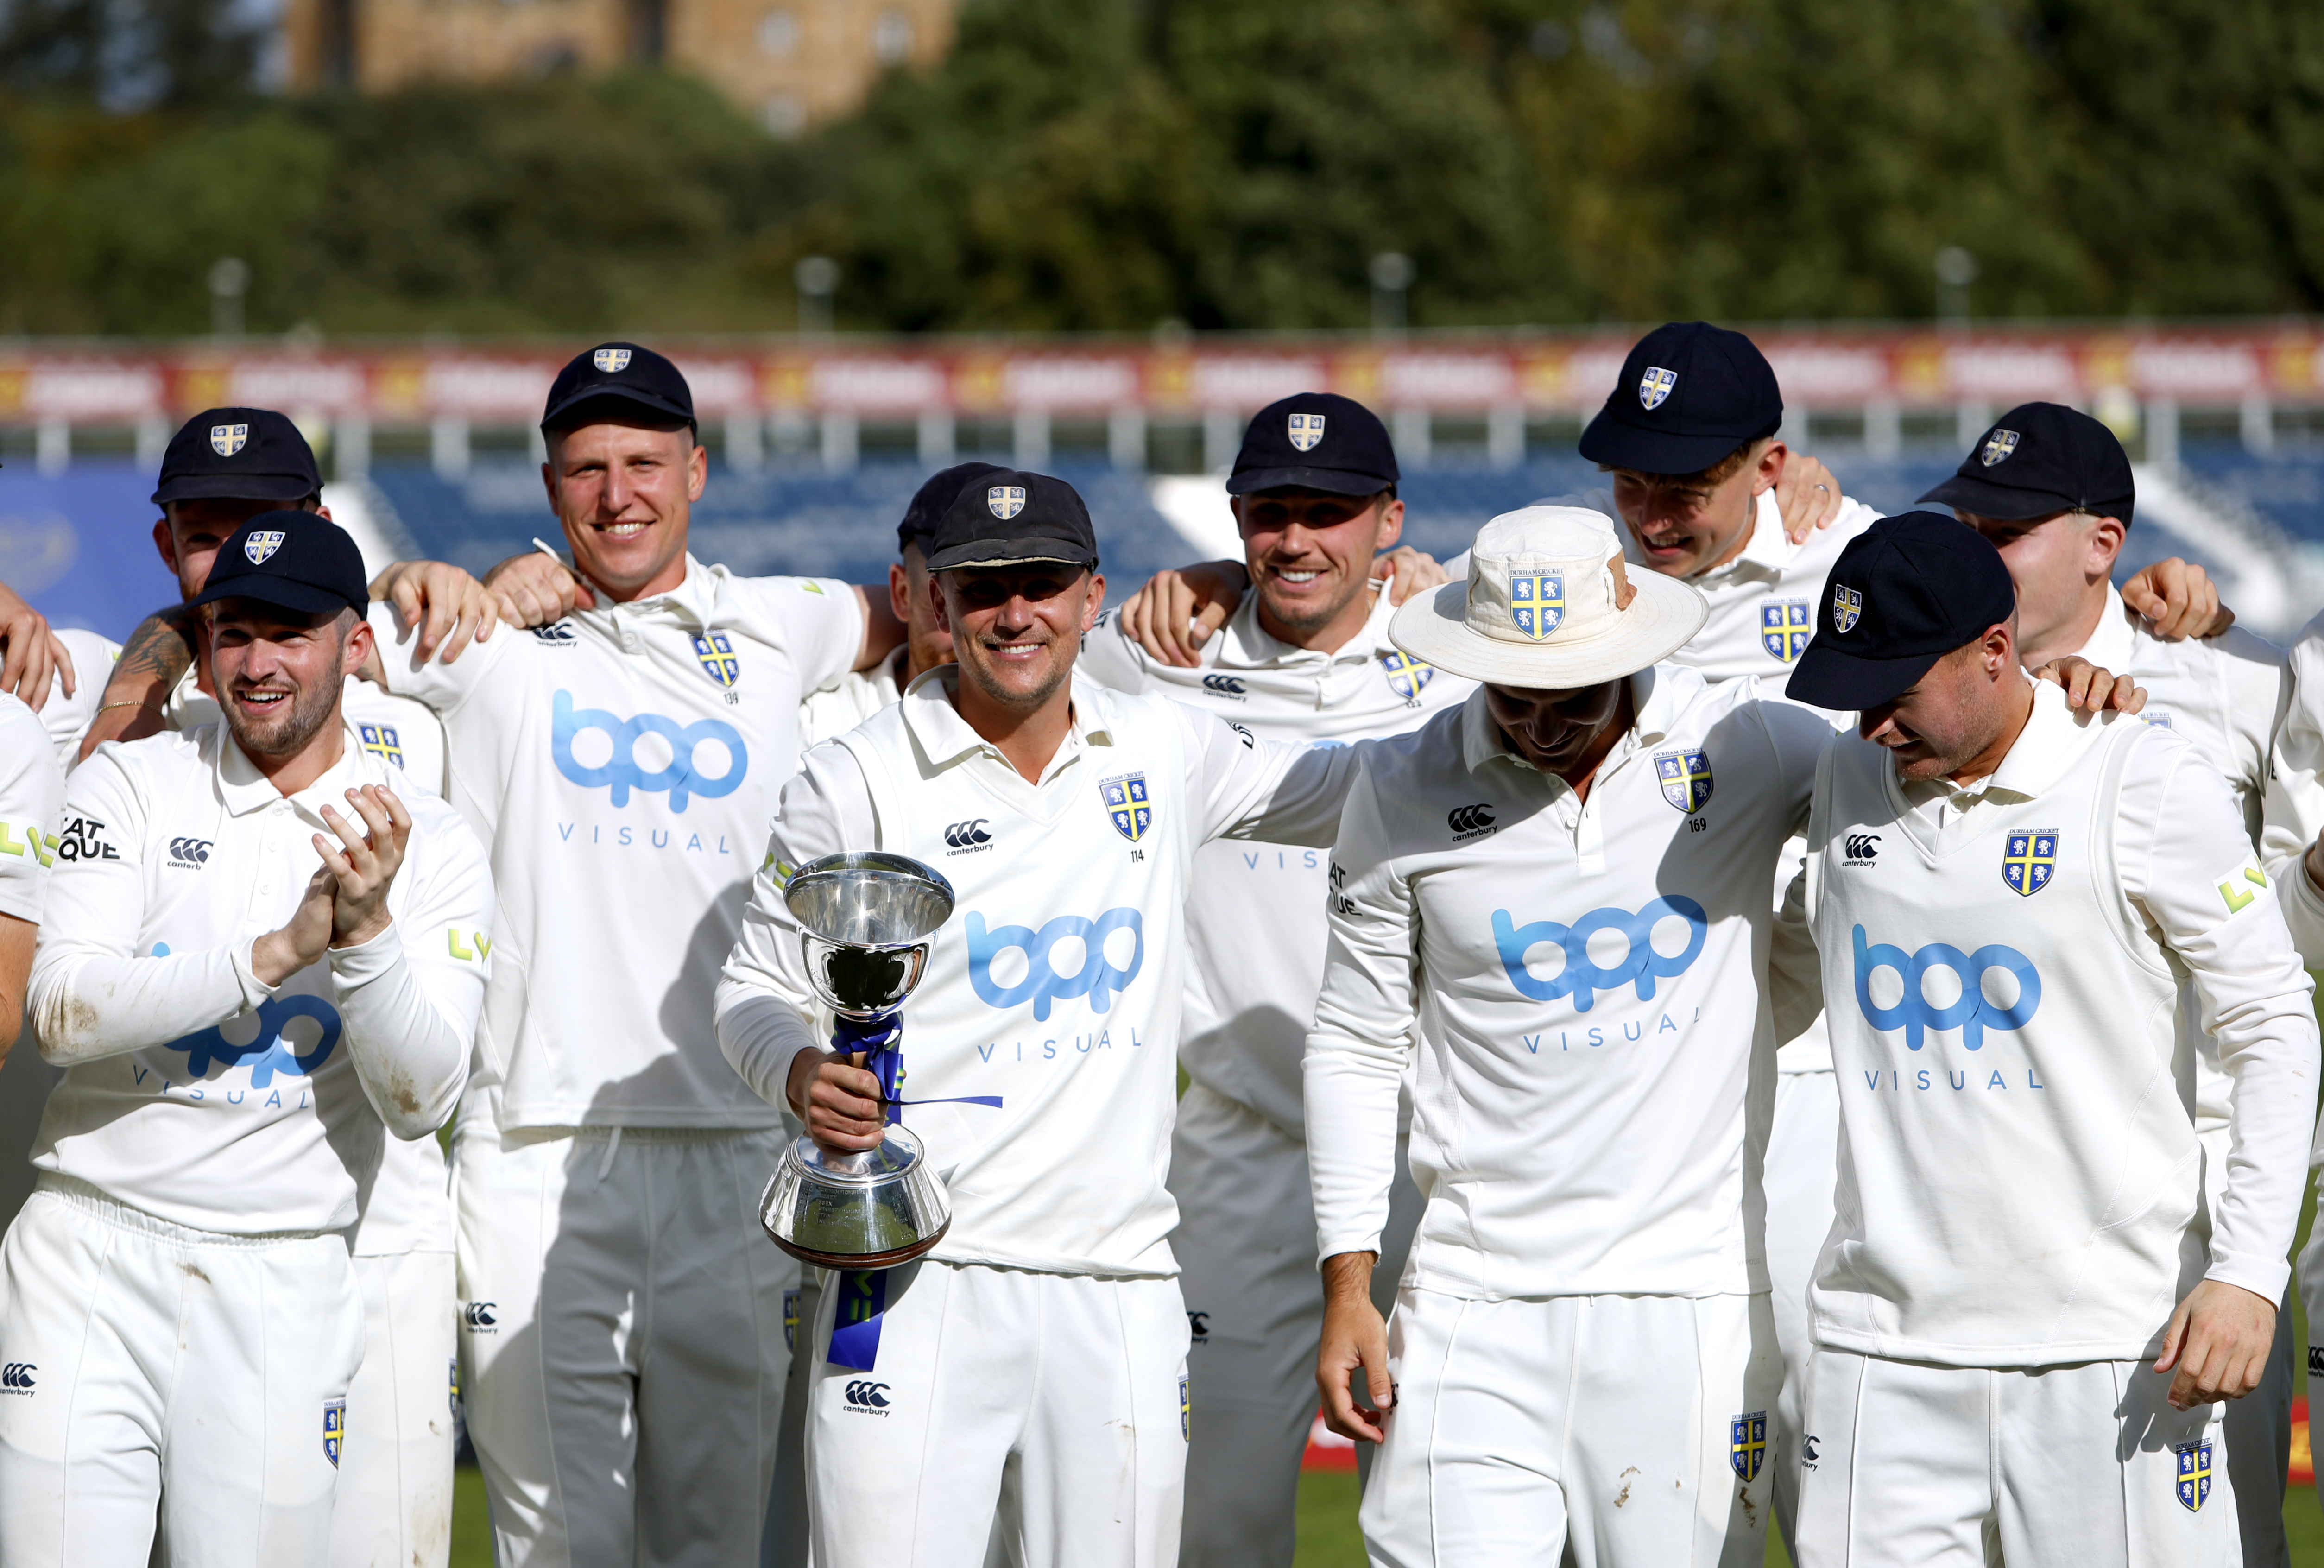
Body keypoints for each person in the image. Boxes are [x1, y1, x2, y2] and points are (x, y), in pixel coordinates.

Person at [715, 469, 1372, 1568]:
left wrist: (1509, 663)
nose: (1014, 613)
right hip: (913, 1276)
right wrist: (794, 1070)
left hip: (1117, 1287)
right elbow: (752, 990)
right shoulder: (853, 776)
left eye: (1042, 583)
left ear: (1090, 598)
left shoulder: (1165, 748)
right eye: (983, 589)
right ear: (931, 603)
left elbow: (1366, 787)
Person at [359, 342, 904, 1568]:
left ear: (697, 471)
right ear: (552, 489)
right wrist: (425, 579)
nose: (619, 495)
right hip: (534, 1157)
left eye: (645, 463)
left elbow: (943, 609)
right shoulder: (474, 637)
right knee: (554, 1544)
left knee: (713, 1542)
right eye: (588, 469)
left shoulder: (782, 623)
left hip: (732, 1152)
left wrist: (1205, 586)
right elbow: (274, 648)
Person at [1781, 513, 2316, 1567]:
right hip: (1878, 1353)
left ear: (1994, 650)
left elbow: (2274, 1021)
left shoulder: (2144, 779)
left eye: (1897, 690)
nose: (1873, 725)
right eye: (1855, 693)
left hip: (2108, 1351)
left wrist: (2250, 1270)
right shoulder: (1843, 776)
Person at [1304, 505, 1835, 1566]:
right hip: (1469, 1301)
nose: (1543, 726)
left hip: (1687, 1304)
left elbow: (1928, 786)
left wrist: (2088, 690)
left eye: (1572, 698)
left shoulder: (1752, 742)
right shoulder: (1400, 788)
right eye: (1515, 695)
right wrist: (1349, 1285)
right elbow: (1356, 1040)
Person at [38, 407, 499, 1568]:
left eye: (291, 623)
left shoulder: (425, 755)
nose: (258, 655)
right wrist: (279, 948)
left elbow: (419, 1095)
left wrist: (370, 929)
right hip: (97, 1229)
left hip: (332, 1234)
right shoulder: (121, 734)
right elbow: (61, 1014)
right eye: (231, 619)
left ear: (351, 638)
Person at [1069, 392, 1468, 1566]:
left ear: (1388, 521)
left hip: (1432, 1146)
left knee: (1452, 1512)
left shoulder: (1456, 653)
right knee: (1215, 1512)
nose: (1298, 540)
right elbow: (973, 649)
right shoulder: (1146, 663)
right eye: (1273, 512)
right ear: (1236, 520)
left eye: (1331, 513)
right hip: (1242, 1150)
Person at [1917, 402, 2297, 1567]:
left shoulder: (2226, 695)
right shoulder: (1912, 708)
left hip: (2180, 1221)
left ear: (2103, 545)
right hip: (1964, 1211)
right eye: (1967, 527)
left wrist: (2246, 1257)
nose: (1980, 554)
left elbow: (2292, 956)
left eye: (2012, 532)